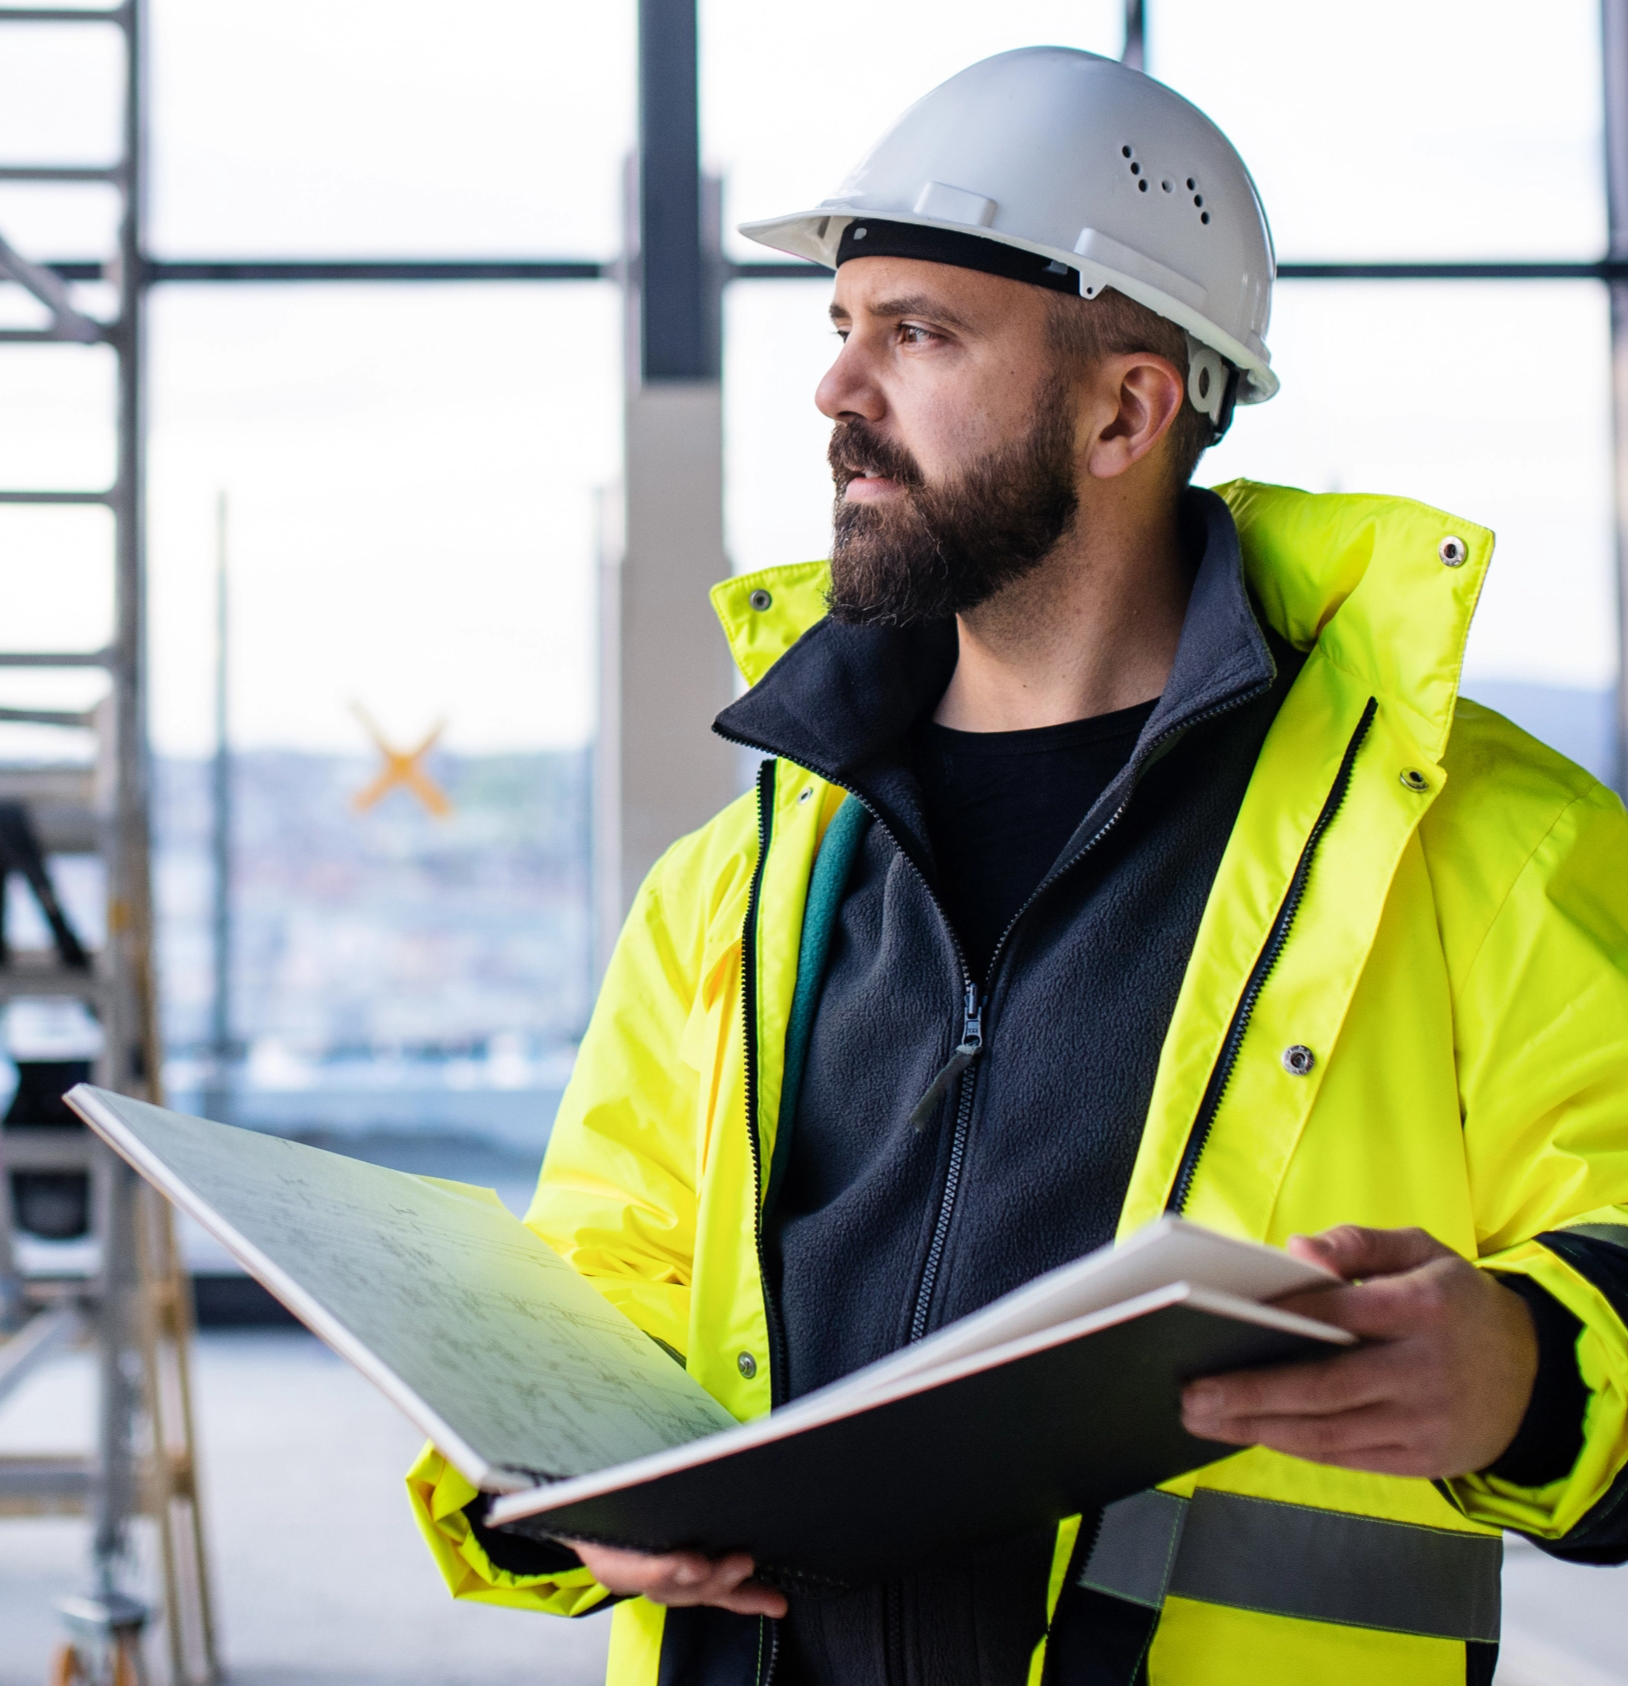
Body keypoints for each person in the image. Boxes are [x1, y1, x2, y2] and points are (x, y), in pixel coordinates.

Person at [407, 47, 1628, 1686]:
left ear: (1128, 406)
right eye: (841, 332)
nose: (839, 395)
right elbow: (598, 1304)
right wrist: (536, 1486)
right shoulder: (738, 877)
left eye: (916, 335)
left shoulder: (1485, 845)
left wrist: (1531, 1372)